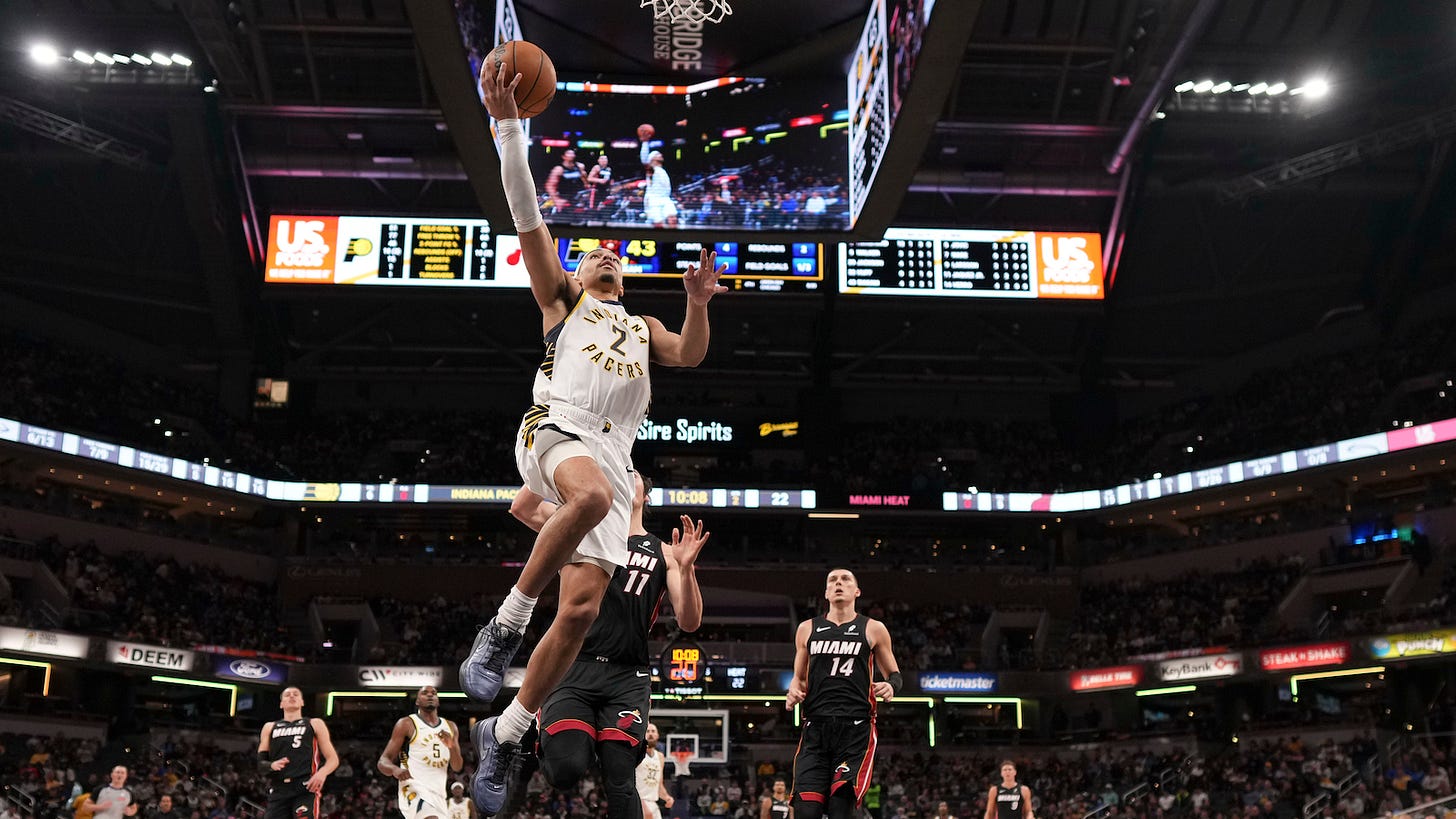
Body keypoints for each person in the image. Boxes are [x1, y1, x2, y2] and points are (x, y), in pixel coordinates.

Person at [465, 60, 725, 818]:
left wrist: (697, 302)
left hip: (610, 453)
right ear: (577, 274)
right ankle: (503, 627)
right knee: (591, 495)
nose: (605, 254)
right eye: (593, 254)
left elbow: (691, 354)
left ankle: (505, 732)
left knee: (580, 612)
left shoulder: (642, 326)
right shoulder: (561, 301)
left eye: (614, 255)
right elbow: (526, 210)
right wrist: (509, 127)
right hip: (554, 427)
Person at [503, 471, 705, 819]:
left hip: (627, 675)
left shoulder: (665, 552)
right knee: (565, 771)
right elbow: (522, 507)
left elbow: (689, 621)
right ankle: (542, 737)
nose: (622, 472)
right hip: (573, 666)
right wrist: (558, 460)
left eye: (631, 472)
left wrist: (686, 570)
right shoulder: (579, 526)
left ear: (645, 496)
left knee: (621, 777)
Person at [784, 569, 901, 819]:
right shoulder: (807, 628)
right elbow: (799, 677)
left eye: (845, 579)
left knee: (840, 809)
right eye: (832, 580)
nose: (839, 583)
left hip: (855, 729)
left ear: (857, 592)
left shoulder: (873, 628)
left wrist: (891, 686)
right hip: (816, 727)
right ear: (826, 593)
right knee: (806, 811)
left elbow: (895, 674)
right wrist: (793, 690)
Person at [378, 686, 464, 819]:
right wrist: (395, 770)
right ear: (417, 701)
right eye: (425, 693)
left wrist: (451, 746)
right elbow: (383, 761)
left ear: (438, 701)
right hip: (413, 787)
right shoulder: (406, 724)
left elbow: (457, 767)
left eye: (433, 693)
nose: (430, 695)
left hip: (438, 794)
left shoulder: (451, 727)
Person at [258, 686, 340, 819]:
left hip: (305, 786)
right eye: (287, 695)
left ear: (302, 702)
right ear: (281, 704)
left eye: (296, 694)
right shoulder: (270, 727)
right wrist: (271, 765)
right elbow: (260, 764)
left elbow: (333, 759)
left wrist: (322, 773)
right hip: (279, 788)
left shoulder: (314, 723)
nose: (291, 696)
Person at [638, 133, 678, 228]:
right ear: (652, 158)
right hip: (654, 199)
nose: (661, 155)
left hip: (666, 198)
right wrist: (645, 143)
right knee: (659, 224)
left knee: (673, 219)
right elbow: (644, 160)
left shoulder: (661, 170)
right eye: (657, 154)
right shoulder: (651, 169)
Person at [636, 723, 674, 819]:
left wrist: (667, 797)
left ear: (657, 735)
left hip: (653, 804)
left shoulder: (660, 757)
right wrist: (641, 803)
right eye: (648, 731)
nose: (650, 734)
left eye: (653, 731)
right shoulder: (637, 753)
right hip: (638, 802)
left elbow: (659, 785)